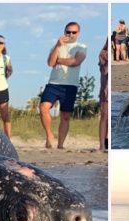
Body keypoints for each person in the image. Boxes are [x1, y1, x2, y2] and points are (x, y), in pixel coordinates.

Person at [39, 22, 87, 150]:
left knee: (65, 116)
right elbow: (50, 63)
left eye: (74, 32)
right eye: (68, 32)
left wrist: (59, 60)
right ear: (64, 32)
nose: (70, 34)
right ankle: (49, 136)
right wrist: (57, 46)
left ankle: (60, 144)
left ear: (78, 33)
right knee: (43, 108)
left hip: (70, 85)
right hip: (54, 83)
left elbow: (76, 62)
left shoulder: (81, 46)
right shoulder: (57, 46)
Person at [98, 39, 108, 152]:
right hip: (106, 90)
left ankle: (106, 141)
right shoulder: (103, 54)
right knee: (104, 116)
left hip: (108, 89)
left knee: (108, 118)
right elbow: (106, 70)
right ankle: (101, 145)